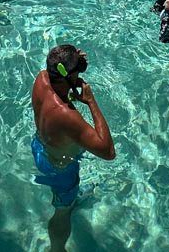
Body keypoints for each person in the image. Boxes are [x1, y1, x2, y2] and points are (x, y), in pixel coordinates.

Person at [31, 44, 116, 252]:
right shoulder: (66, 115)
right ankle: (57, 249)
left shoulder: (42, 78)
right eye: (77, 68)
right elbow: (108, 152)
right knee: (63, 212)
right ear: (67, 74)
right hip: (60, 169)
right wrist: (91, 101)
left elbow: (62, 79)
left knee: (64, 203)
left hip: (40, 147)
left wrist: (73, 68)